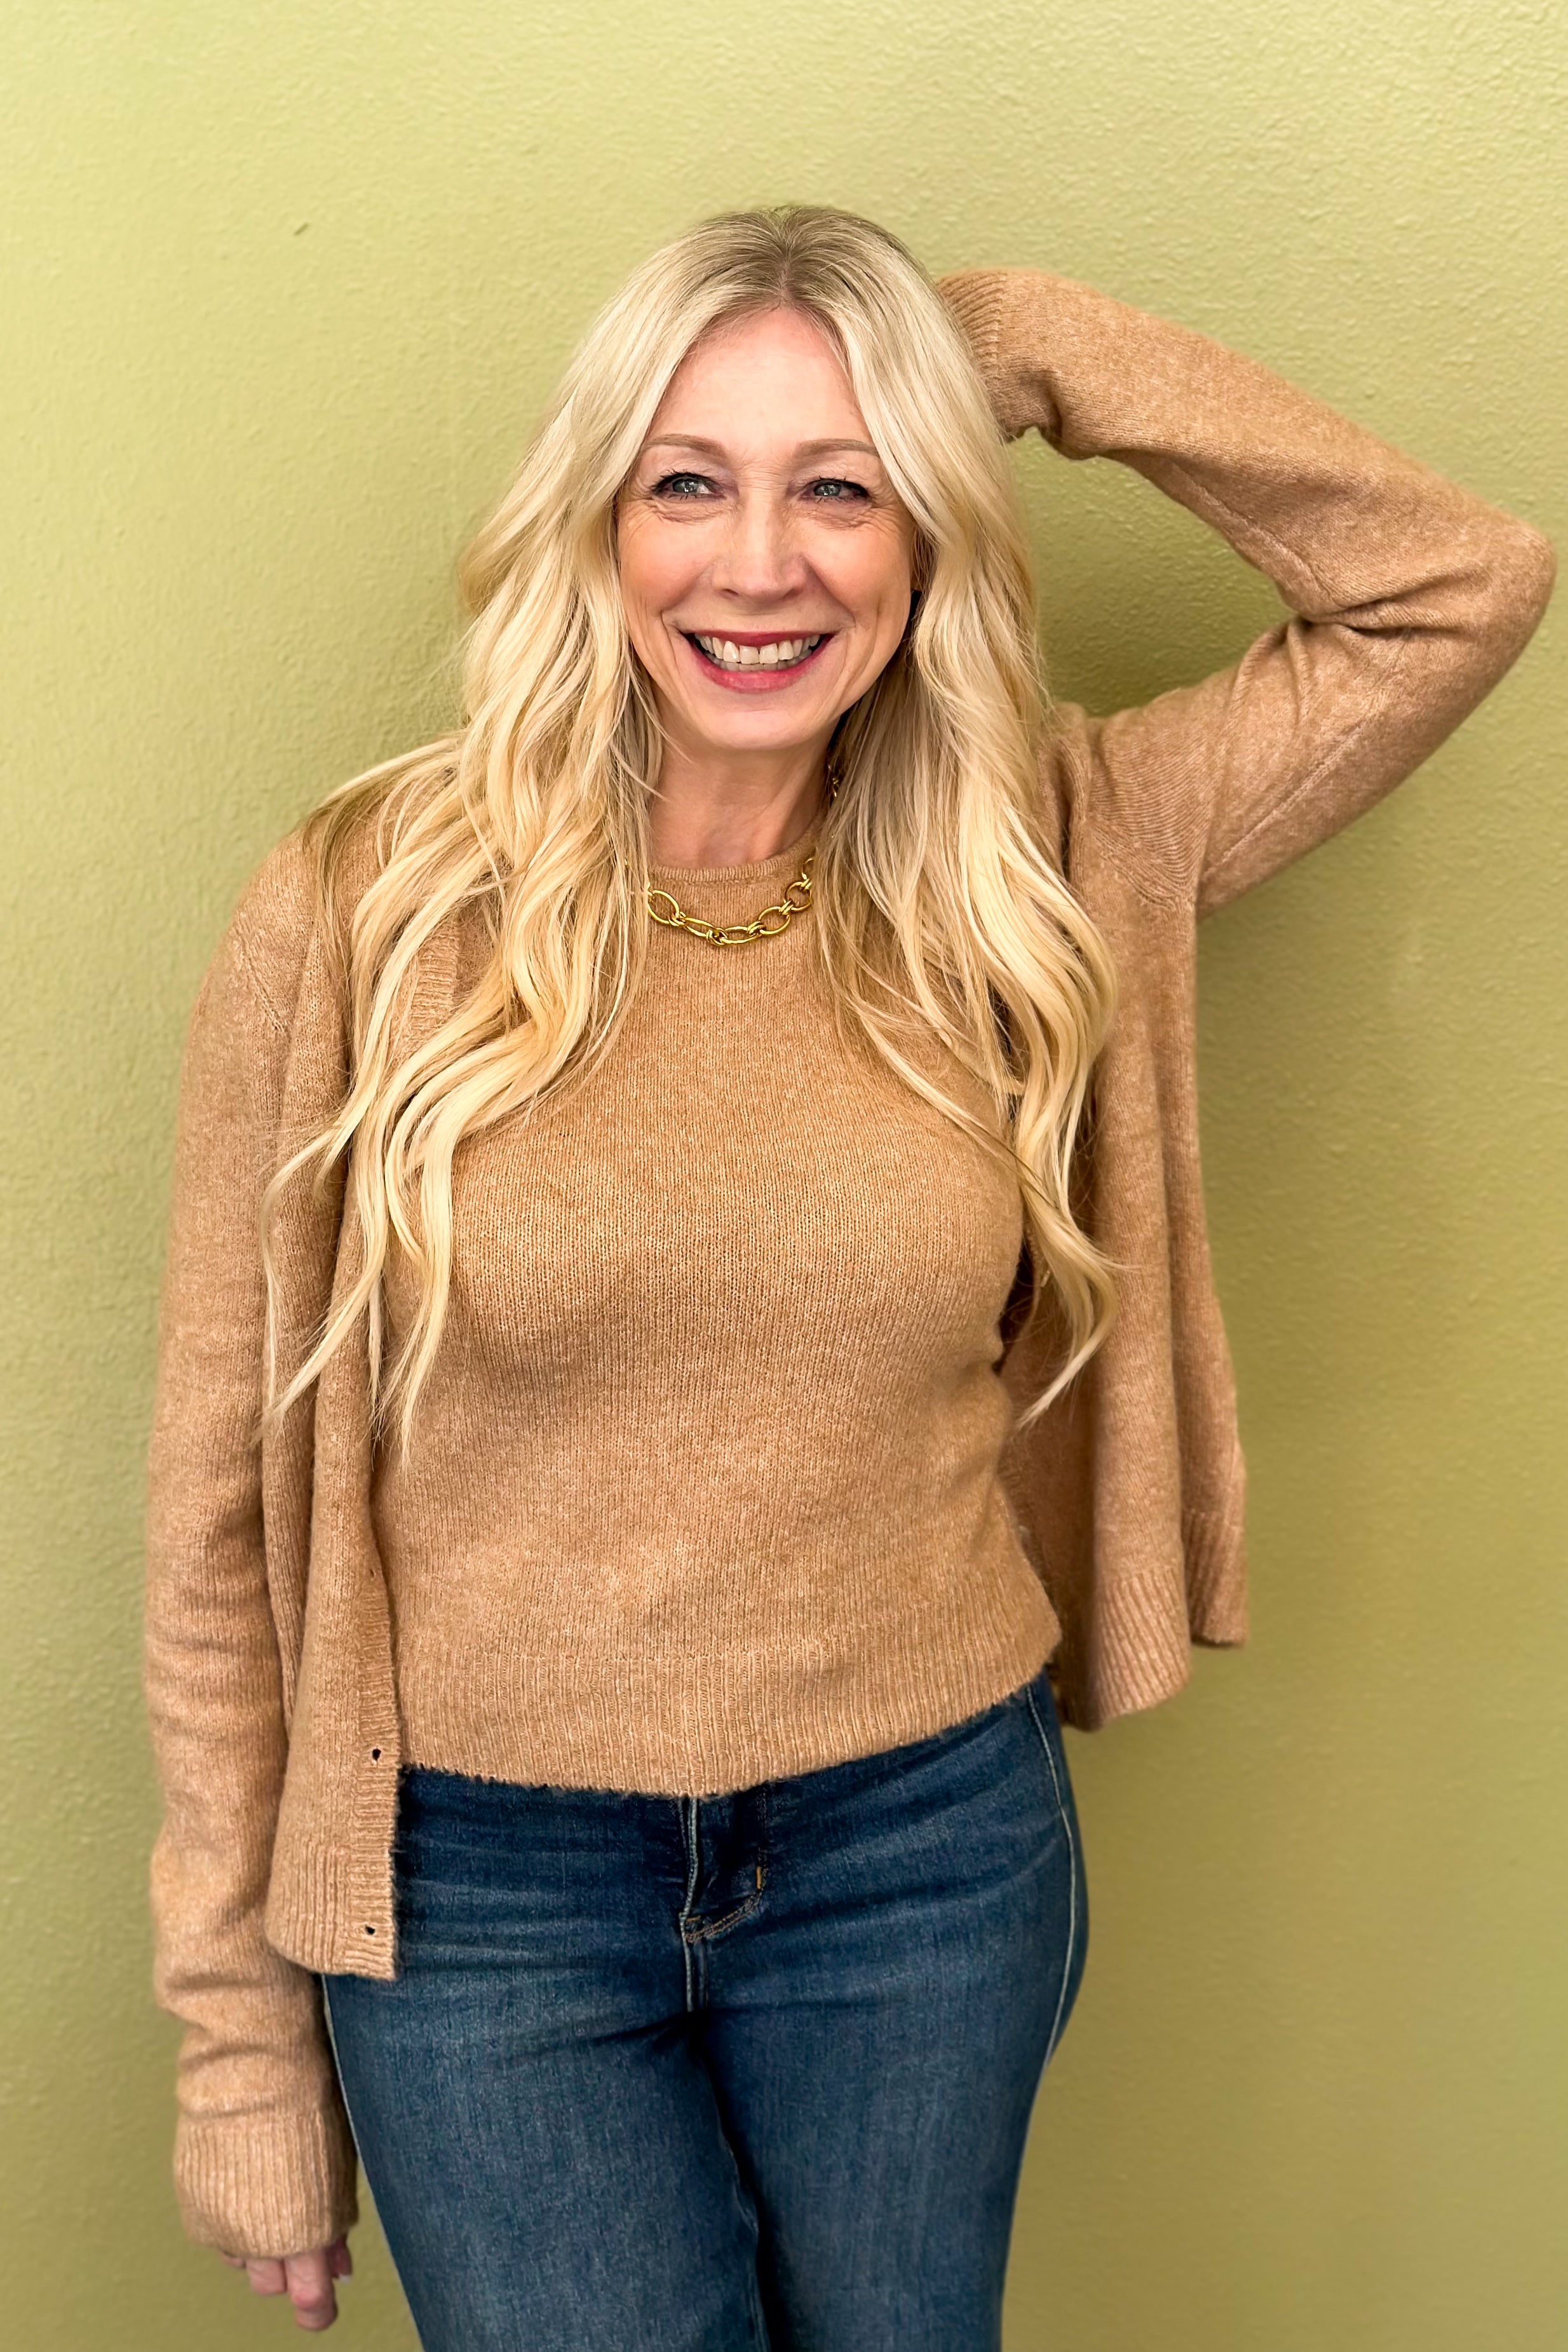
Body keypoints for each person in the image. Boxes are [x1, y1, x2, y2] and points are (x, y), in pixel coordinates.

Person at [142, 203, 1554, 2348]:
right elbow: (219, 1526)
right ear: (594, 523)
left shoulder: (1043, 854)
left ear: (926, 535)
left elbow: (1451, 585)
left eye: (843, 485)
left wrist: (1016, 345)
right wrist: (241, 2051)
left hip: (921, 1853)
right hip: (480, 1891)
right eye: (686, 483)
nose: (760, 564)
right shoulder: (366, 913)